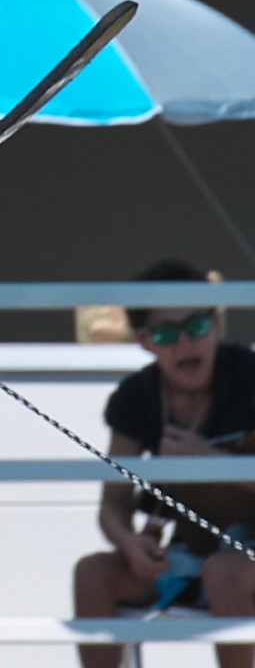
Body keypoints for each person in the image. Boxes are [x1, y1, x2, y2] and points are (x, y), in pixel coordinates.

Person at [72, 260, 255, 668]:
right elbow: (113, 504)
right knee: (92, 573)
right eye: (166, 333)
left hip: (242, 561)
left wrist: (211, 461)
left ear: (217, 326)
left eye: (197, 326)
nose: (184, 343)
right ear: (144, 341)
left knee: (224, 573)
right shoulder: (135, 398)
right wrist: (129, 542)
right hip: (190, 552)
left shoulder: (249, 376)